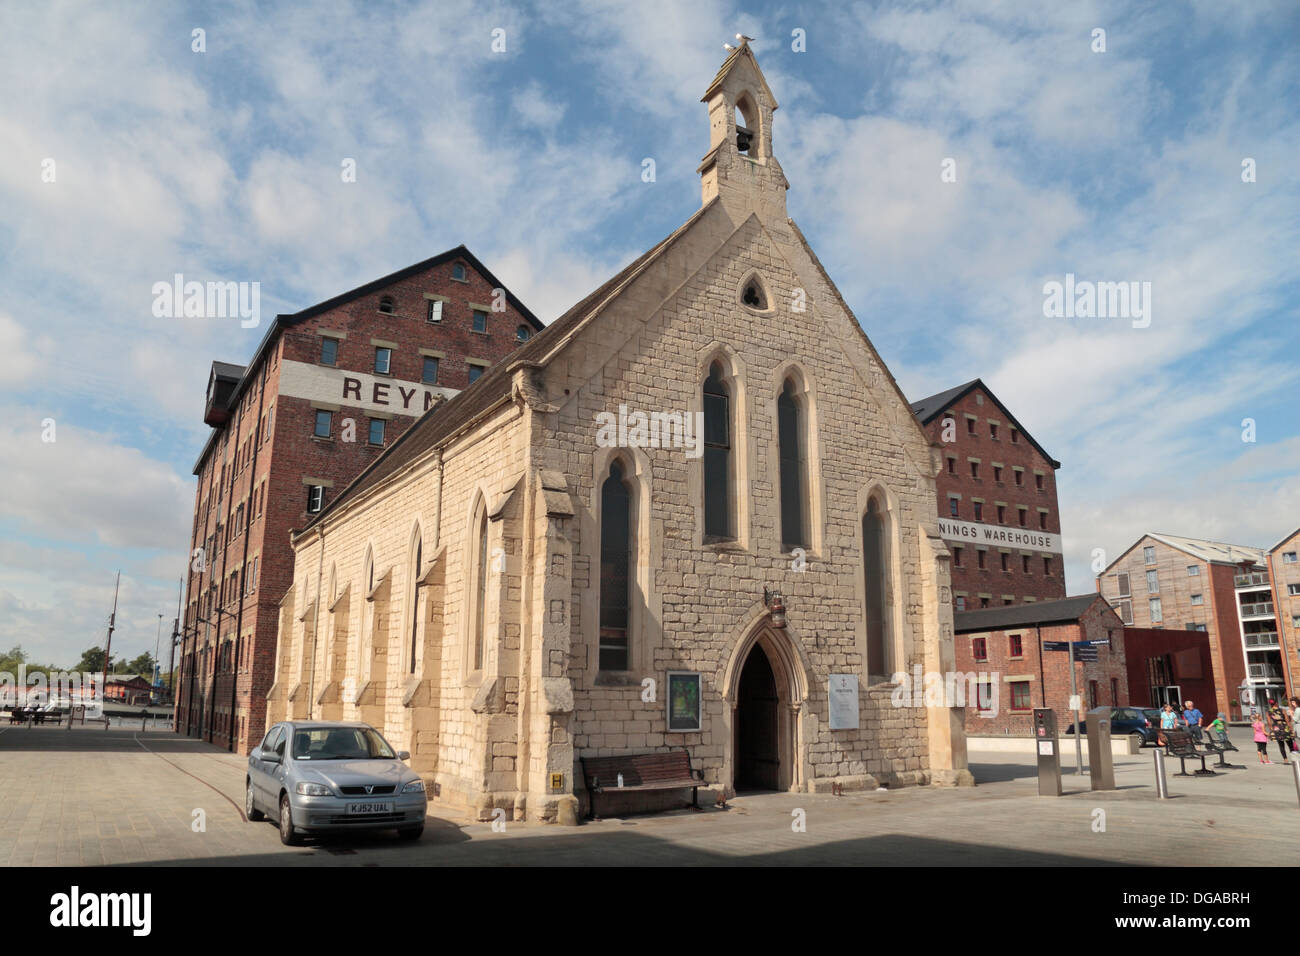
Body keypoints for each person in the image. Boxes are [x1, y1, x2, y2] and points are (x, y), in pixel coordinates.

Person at [1266, 699, 1292, 763]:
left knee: (1281, 744)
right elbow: (1287, 720)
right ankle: (1295, 758)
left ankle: (1285, 759)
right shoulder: (1282, 710)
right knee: (1290, 743)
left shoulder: (1269, 712)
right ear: (1276, 703)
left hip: (1276, 727)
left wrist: (1271, 729)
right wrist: (1290, 728)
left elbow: (1269, 722)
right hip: (1284, 726)